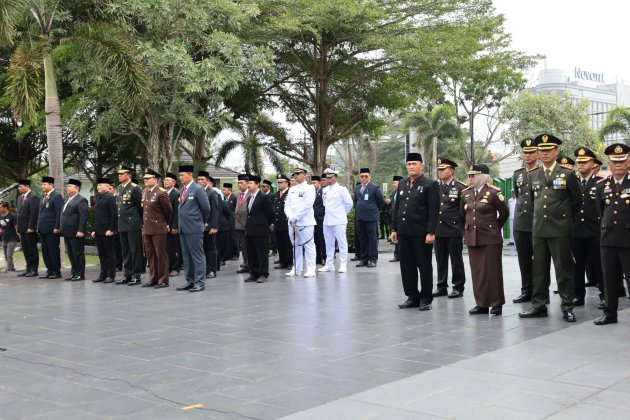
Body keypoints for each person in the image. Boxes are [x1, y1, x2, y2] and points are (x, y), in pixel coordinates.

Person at [519, 133, 582, 322]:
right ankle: (538, 305)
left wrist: (562, 218)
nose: (544, 154)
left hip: (560, 229)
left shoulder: (567, 174)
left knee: (563, 270)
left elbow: (577, 202)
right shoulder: (533, 175)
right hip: (539, 229)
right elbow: (532, 201)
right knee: (539, 270)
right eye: (542, 151)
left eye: (548, 150)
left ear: (556, 151)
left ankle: (567, 307)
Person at [390, 152, 440, 311]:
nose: (411, 167)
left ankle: (426, 298)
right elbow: (397, 208)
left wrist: (431, 232)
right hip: (404, 232)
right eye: (409, 164)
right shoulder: (403, 183)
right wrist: (394, 228)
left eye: (414, 164)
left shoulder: (430, 184)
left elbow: (434, 210)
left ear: (422, 166)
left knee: (424, 266)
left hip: (421, 233)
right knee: (406, 266)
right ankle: (412, 296)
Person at [461, 164, 510, 315]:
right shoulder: (465, 193)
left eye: (473, 176)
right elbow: (463, 214)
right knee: (477, 273)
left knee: (492, 272)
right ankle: (481, 304)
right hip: (473, 238)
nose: (470, 178)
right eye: (469, 176)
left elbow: (504, 213)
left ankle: (496, 303)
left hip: (490, 239)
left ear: (482, 177)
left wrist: (494, 228)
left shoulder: (493, 193)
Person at [594, 143, 630, 325]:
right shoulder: (602, 185)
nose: (618, 165)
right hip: (607, 238)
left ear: (628, 162)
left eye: (622, 161)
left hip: (628, 240)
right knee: (608, 278)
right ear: (609, 164)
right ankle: (610, 314)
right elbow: (601, 212)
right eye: (615, 162)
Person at [572, 147, 604, 307]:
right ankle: (578, 295)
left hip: (595, 231)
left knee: (600, 266)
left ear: (593, 164)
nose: (581, 165)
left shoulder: (600, 182)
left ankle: (605, 295)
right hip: (576, 230)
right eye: (579, 162)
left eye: (585, 162)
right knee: (576, 267)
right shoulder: (571, 181)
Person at [512, 137, 541, 304]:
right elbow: (518, 195)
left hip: (537, 223)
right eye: (525, 153)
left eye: (531, 152)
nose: (528, 155)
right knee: (523, 259)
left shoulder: (542, 172)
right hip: (521, 223)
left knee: (539, 261)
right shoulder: (518, 174)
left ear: (537, 153)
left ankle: (539, 292)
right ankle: (526, 291)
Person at [433, 157, 467, 299]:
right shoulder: (435, 187)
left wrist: (463, 228)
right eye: (439, 170)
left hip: (453, 230)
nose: (440, 172)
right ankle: (441, 286)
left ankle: (458, 287)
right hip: (438, 229)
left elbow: (465, 210)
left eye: (443, 169)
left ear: (451, 171)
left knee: (456, 259)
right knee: (440, 259)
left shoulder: (460, 188)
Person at [176, 165, 210, 292]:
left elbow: (206, 208)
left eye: (183, 175)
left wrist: (199, 221)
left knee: (197, 255)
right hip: (183, 228)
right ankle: (190, 280)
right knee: (186, 256)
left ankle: (200, 282)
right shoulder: (182, 189)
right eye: (179, 175)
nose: (180, 178)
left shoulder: (198, 189)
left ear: (190, 175)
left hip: (194, 227)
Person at [141, 169, 173, 288]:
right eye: (144, 179)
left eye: (147, 178)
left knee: (161, 255)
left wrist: (164, 223)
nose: (145, 180)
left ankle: (163, 280)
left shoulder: (161, 192)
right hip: (147, 228)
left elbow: (168, 211)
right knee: (150, 255)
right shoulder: (144, 192)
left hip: (158, 228)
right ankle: (153, 278)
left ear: (155, 180)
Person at [318, 168, 353, 273]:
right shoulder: (325, 190)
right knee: (328, 243)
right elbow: (325, 204)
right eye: (326, 177)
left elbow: (349, 204)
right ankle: (329, 264)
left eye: (330, 177)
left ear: (335, 178)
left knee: (342, 243)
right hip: (327, 220)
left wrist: (342, 214)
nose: (328, 179)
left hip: (339, 220)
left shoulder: (342, 189)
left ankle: (343, 264)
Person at [285, 164, 317, 277]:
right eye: (295, 174)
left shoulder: (310, 188)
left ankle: (311, 269)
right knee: (295, 246)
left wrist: (296, 217)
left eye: (298, 174)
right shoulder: (292, 189)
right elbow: (287, 205)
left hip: (305, 222)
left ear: (304, 174)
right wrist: (290, 216)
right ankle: (297, 268)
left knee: (309, 246)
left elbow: (308, 205)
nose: (296, 176)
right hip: (292, 222)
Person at [243, 175, 274, 283]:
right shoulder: (249, 197)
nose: (248, 185)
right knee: (252, 253)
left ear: (257, 185)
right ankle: (254, 273)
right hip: (250, 229)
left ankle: (263, 274)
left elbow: (270, 213)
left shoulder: (263, 197)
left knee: (261, 253)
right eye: (248, 183)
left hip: (261, 230)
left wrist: (267, 224)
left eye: (251, 183)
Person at [116, 165, 143, 285]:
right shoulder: (119, 188)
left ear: (129, 175)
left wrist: (141, 223)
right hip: (122, 223)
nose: (119, 176)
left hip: (133, 223)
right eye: (119, 174)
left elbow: (140, 207)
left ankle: (136, 275)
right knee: (125, 250)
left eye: (122, 174)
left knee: (135, 250)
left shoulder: (134, 188)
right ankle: (127, 274)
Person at [355, 168, 384, 268]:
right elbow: (356, 202)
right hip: (360, 218)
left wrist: (375, 211)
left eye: (366, 176)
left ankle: (372, 259)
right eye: (362, 176)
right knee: (362, 239)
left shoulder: (375, 187)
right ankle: (364, 259)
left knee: (372, 239)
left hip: (371, 218)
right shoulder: (358, 188)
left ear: (370, 177)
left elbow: (381, 202)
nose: (363, 178)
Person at [60, 179, 88, 281]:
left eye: (70, 186)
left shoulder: (81, 200)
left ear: (77, 188)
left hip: (76, 232)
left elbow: (83, 217)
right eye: (68, 186)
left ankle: (80, 274)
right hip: (67, 231)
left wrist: (81, 230)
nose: (67, 188)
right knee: (71, 254)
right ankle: (74, 272)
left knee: (78, 254)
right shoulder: (67, 199)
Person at [91, 178, 118, 283]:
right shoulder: (99, 198)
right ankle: (103, 275)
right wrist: (95, 230)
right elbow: (98, 216)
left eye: (101, 185)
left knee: (110, 254)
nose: (98, 187)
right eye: (98, 185)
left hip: (107, 231)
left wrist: (111, 229)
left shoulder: (110, 198)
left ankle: (111, 276)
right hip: (99, 231)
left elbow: (114, 215)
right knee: (101, 254)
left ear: (107, 186)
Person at [36, 176, 63, 279]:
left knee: (53, 251)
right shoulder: (44, 196)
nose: (42, 186)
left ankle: (56, 271)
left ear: (51, 185)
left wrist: (57, 227)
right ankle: (49, 270)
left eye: (44, 184)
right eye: (42, 184)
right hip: (43, 229)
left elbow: (58, 213)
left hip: (52, 229)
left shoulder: (56, 196)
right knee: (45, 251)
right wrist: (38, 226)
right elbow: (41, 213)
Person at [197, 171, 219, 279]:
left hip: (209, 226)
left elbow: (215, 211)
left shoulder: (212, 193)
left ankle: (212, 270)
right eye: (199, 179)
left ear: (207, 181)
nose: (200, 181)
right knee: (203, 248)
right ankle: (206, 269)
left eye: (203, 179)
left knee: (211, 248)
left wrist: (214, 226)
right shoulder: (198, 191)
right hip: (199, 225)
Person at [16, 179, 40, 277]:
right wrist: (18, 228)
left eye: (21, 186)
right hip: (22, 228)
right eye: (18, 186)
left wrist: (31, 227)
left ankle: (34, 269)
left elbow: (34, 214)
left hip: (29, 228)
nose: (19, 188)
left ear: (27, 186)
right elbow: (19, 214)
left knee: (32, 249)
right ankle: (28, 268)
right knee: (25, 249)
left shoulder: (33, 197)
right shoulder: (19, 197)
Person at [272, 174, 292, 269]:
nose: (279, 184)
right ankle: (283, 261)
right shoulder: (275, 195)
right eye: (278, 182)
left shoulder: (290, 193)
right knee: (280, 243)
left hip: (287, 222)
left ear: (287, 183)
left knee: (288, 243)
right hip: (277, 223)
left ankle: (290, 262)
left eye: (281, 182)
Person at [164, 172, 182, 276]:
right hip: (164, 225)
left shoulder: (176, 194)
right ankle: (169, 267)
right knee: (167, 248)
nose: (165, 182)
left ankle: (176, 268)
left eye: (167, 180)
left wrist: (175, 226)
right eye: (165, 180)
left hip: (172, 226)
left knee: (174, 248)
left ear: (173, 182)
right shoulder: (164, 193)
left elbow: (177, 212)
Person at [234, 174, 250, 273]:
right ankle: (246, 263)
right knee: (243, 246)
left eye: (241, 183)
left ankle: (250, 264)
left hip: (247, 224)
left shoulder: (250, 194)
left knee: (248, 246)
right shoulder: (238, 194)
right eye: (238, 183)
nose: (239, 185)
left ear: (247, 184)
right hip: (239, 224)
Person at [311, 175, 327, 265]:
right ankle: (318, 258)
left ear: (319, 183)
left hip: (321, 219)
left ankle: (325, 257)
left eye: (314, 183)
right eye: (312, 183)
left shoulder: (324, 191)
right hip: (312, 220)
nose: (313, 184)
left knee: (322, 239)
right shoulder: (310, 192)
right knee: (315, 240)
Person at [222, 183, 238, 262]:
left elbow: (237, 209)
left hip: (233, 220)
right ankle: (230, 254)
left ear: (230, 190)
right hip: (226, 221)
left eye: (224, 190)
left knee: (234, 237)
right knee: (228, 238)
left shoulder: (234, 197)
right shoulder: (224, 198)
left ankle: (236, 254)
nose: (223, 191)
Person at [0, 202, 18, 272]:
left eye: (0, 207)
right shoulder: (0, 216)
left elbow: (16, 227)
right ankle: (12, 268)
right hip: (4, 238)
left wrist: (19, 235)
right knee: (6, 255)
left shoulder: (12, 216)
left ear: (5, 208)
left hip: (12, 238)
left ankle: (9, 270)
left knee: (9, 255)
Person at [389, 176, 403, 262]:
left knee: (401, 237)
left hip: (402, 218)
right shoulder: (394, 193)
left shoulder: (404, 191)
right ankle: (396, 255)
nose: (393, 184)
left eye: (395, 182)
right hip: (394, 217)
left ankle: (402, 255)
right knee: (395, 236)